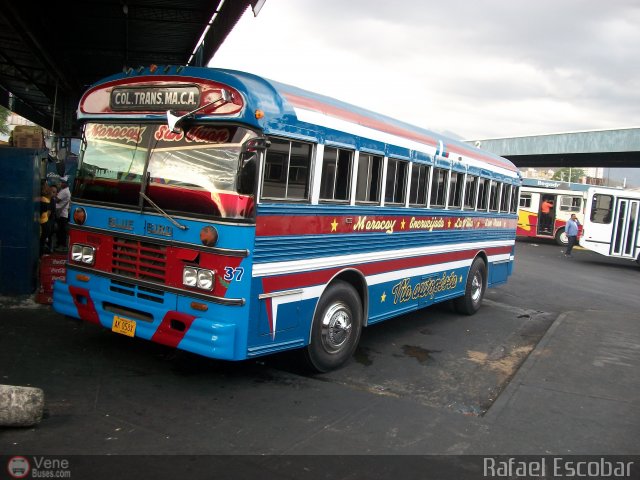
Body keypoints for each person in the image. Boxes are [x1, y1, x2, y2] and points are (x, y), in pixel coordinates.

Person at [56, 176, 71, 251]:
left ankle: (62, 246)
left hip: (62, 214)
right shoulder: (64, 190)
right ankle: (61, 245)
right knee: (61, 231)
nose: (61, 183)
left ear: (66, 184)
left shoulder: (65, 191)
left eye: (62, 182)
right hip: (63, 213)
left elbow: (57, 200)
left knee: (61, 231)